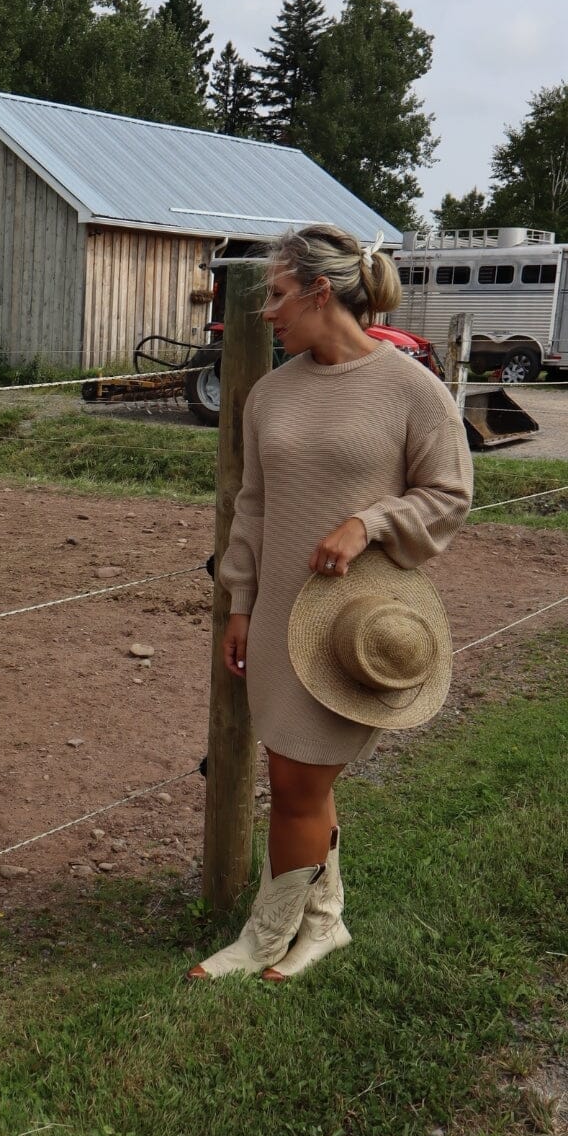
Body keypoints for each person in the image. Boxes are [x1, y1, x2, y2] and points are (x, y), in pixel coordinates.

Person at [187, 223, 474, 983]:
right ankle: (325, 923)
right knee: (298, 777)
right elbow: (252, 504)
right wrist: (240, 599)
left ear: (322, 292)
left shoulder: (413, 388)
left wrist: (369, 522)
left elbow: (449, 495)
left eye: (277, 295)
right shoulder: (271, 394)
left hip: (348, 623)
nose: (265, 313)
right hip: (279, 611)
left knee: (295, 782)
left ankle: (265, 935)